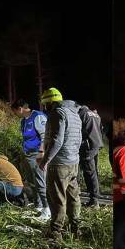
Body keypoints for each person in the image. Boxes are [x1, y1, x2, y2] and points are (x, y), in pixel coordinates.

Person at [38, 87, 83, 240]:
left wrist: (45, 160)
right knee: (73, 197)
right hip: (73, 163)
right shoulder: (74, 114)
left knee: (57, 198)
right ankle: (76, 228)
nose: (45, 108)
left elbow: (57, 141)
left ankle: (56, 233)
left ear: (50, 103)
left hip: (59, 164)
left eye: (45, 104)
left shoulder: (57, 113)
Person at [11, 99, 50, 220]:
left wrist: (41, 151)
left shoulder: (37, 116)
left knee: (40, 180)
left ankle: (47, 209)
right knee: (32, 181)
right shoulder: (23, 121)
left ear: (20, 109)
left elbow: (45, 135)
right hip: (27, 154)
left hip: (37, 154)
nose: (14, 114)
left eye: (14, 112)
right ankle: (38, 206)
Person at [77, 103, 104, 207]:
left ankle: (94, 200)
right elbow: (101, 129)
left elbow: (79, 130)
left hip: (87, 146)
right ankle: (95, 196)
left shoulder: (82, 113)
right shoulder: (95, 114)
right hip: (96, 145)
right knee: (92, 171)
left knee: (89, 172)